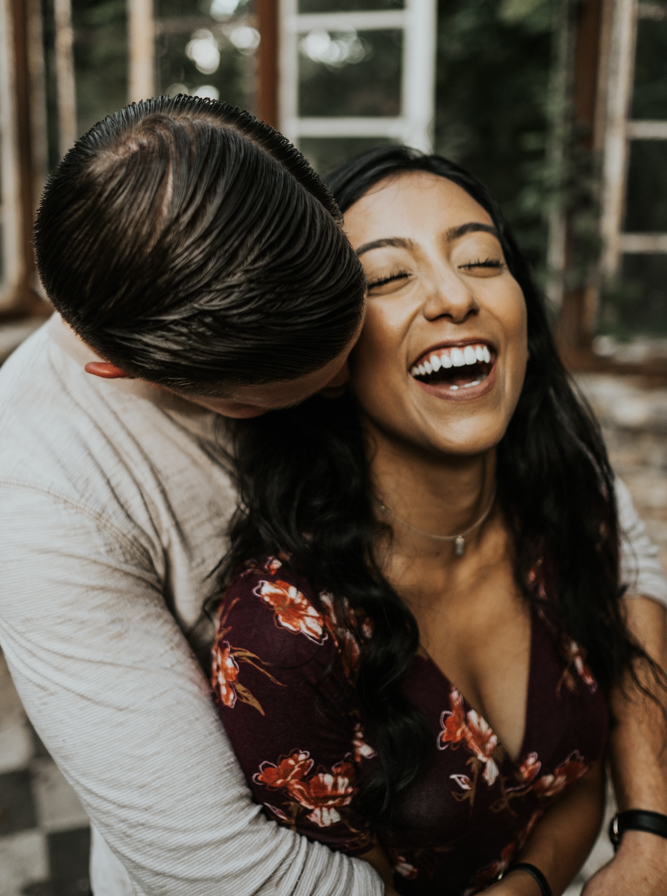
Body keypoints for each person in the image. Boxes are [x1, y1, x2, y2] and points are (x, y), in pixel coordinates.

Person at [0, 105, 663, 896]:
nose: (343, 375)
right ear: (128, 371)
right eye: (385, 277)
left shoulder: (254, 204)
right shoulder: (43, 500)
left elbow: (619, 561)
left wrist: (640, 835)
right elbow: (214, 865)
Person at [211, 147, 667, 896]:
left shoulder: (564, 505)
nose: (455, 296)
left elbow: (572, 774)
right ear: (326, 359)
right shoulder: (283, 636)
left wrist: (533, 881)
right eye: (388, 277)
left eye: (482, 260)